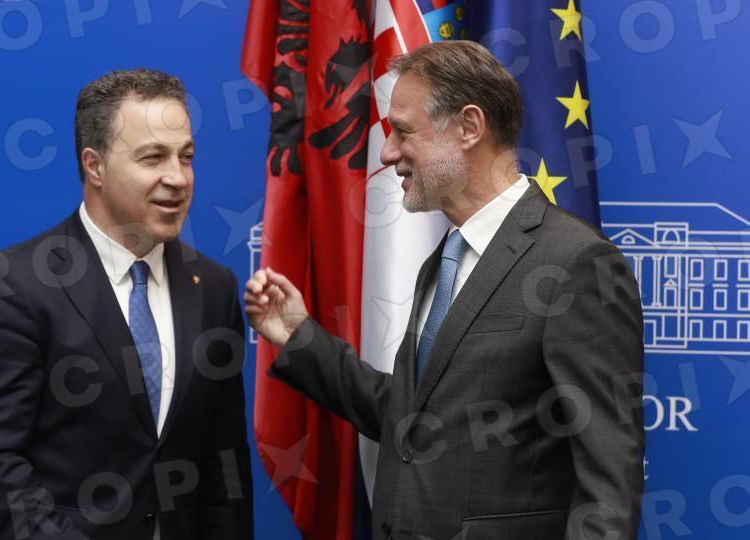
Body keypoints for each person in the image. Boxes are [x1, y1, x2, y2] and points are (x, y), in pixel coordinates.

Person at [245, 41, 644, 540]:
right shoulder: (444, 261)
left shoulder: (576, 263)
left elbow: (608, 487)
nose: (387, 153)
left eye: (403, 132)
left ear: (469, 127)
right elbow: (415, 417)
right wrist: (299, 336)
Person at [0, 68, 253, 539]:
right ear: (95, 166)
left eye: (186, 156)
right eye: (153, 158)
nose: (178, 178)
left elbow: (224, 462)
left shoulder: (214, 287)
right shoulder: (15, 283)